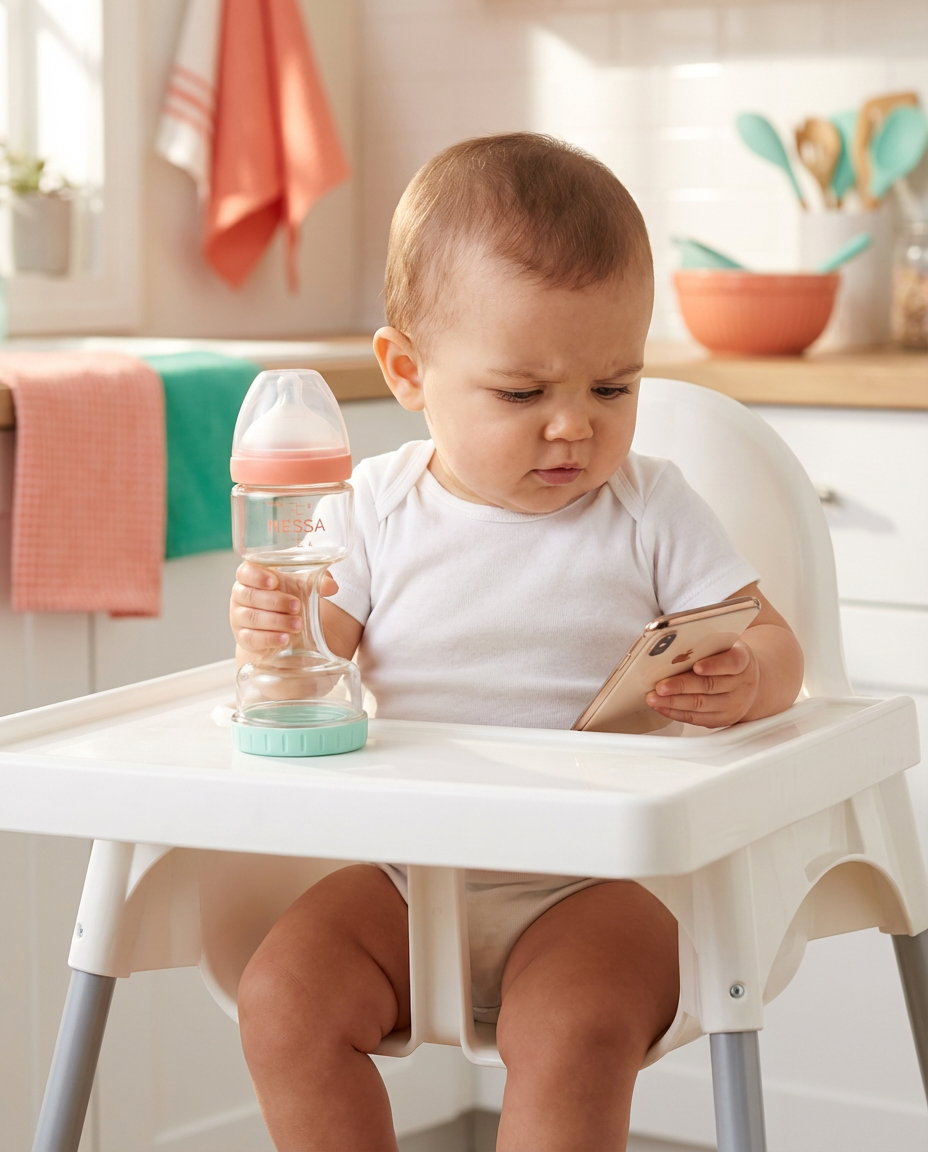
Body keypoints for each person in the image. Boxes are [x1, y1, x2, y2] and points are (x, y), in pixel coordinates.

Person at [228, 133, 804, 1151]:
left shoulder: (650, 507)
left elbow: (772, 642)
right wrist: (275, 633)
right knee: (281, 998)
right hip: (408, 872)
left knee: (573, 1027)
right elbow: (312, 657)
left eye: (611, 388)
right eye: (523, 394)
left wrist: (747, 675)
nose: (572, 428)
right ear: (408, 372)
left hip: (596, 880)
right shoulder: (366, 507)